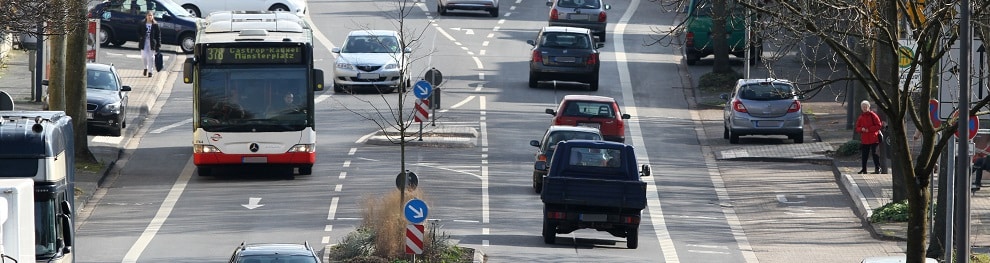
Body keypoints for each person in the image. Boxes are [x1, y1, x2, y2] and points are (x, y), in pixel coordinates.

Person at [855, 100, 883, 174]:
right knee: (864, 155)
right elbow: (857, 127)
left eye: (865, 107)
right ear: (861, 108)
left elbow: (879, 125)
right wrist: (862, 129)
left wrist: (869, 130)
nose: (864, 108)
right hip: (865, 139)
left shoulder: (873, 115)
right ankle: (864, 169)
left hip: (874, 138)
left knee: (875, 154)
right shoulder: (861, 117)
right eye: (863, 107)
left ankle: (878, 168)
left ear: (868, 107)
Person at [137, 11, 162, 78]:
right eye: (148, 15)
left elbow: (158, 35)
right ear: (146, 16)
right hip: (144, 42)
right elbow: (138, 31)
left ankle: (150, 71)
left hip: (152, 43)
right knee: (144, 56)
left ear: (153, 16)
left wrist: (158, 44)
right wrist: (141, 37)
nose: (150, 17)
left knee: (150, 58)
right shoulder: (142, 23)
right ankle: (145, 68)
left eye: (151, 15)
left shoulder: (155, 25)